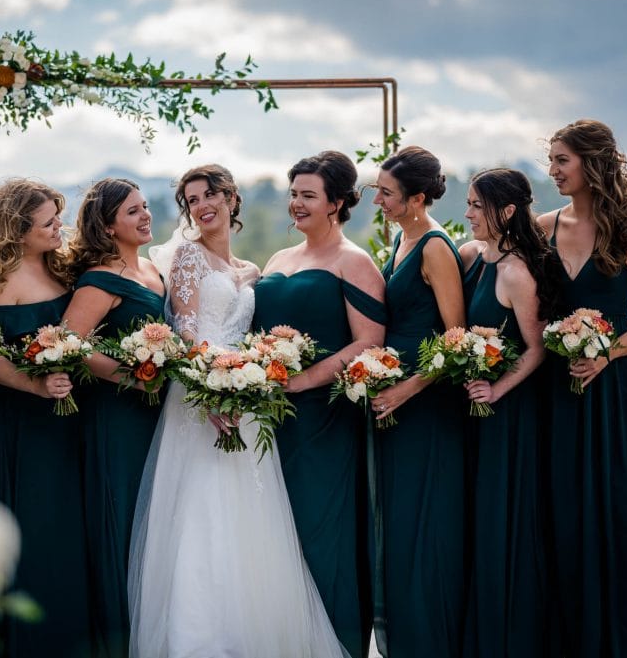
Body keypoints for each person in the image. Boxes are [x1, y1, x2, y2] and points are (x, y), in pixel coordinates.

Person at [129, 164, 348, 657]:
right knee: (201, 512)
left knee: (251, 512)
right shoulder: (186, 258)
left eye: (210, 194)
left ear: (231, 198)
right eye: (191, 199)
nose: (202, 205)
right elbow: (185, 333)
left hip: (246, 401)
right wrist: (210, 393)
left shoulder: (249, 270)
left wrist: (247, 379)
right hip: (198, 401)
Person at [538, 119, 627, 658]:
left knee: (620, 516)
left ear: (592, 163)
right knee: (561, 516)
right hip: (555, 388)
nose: (552, 171)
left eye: (561, 161)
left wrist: (608, 354)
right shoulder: (542, 225)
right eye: (550, 161)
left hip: (616, 389)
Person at [251, 150, 386, 658]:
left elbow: (370, 341)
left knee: (320, 527)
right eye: (294, 194)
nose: (296, 204)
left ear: (338, 203)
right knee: (271, 527)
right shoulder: (278, 261)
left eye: (308, 195)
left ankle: (335, 643)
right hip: (269, 417)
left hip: (325, 418)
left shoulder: (354, 261)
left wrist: (304, 380)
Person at [0, 179, 88, 657]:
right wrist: (34, 384)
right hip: (23, 420)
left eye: (59, 218)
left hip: (67, 419)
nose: (60, 227)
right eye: (49, 222)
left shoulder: (62, 269)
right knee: (36, 525)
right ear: (18, 229)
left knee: (67, 528)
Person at [457, 168, 564, 657]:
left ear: (505, 212)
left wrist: (497, 389)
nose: (468, 214)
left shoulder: (518, 272)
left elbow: (537, 347)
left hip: (510, 417)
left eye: (477, 206)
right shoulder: (474, 257)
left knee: (506, 520)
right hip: (476, 414)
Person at [367, 146, 467, 657]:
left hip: (426, 406)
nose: (377, 199)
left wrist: (408, 387)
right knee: (399, 524)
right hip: (395, 401)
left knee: (423, 522)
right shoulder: (401, 241)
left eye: (387, 192)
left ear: (417, 198)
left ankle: (430, 642)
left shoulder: (434, 247)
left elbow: (457, 338)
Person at [61, 177, 166, 658]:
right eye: (132, 212)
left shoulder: (153, 271)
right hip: (117, 416)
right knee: (122, 520)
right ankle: (119, 641)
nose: (145, 216)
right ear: (107, 226)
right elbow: (67, 345)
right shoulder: (99, 278)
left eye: (144, 207)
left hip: (158, 417)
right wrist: (132, 376)